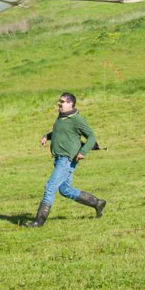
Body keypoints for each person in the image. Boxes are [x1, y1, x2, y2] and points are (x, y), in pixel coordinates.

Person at [25, 92, 108, 227]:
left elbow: (91, 136)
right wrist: (47, 136)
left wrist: (83, 152)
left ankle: (38, 221)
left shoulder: (77, 120)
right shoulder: (61, 118)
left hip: (66, 160)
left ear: (71, 103)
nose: (59, 104)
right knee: (64, 189)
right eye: (59, 101)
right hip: (59, 159)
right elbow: (59, 132)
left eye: (62, 101)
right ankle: (97, 203)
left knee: (50, 186)